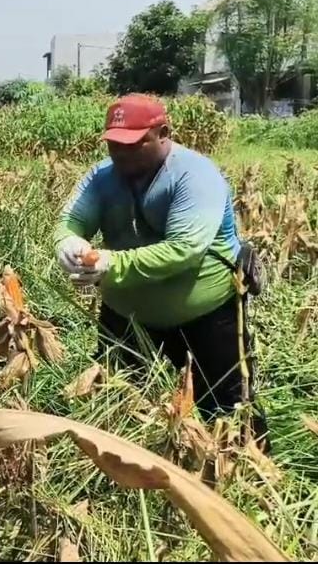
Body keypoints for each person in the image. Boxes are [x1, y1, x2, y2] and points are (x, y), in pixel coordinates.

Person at [55, 93, 267, 442]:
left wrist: (111, 262)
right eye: (114, 145)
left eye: (134, 144)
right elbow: (71, 221)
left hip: (207, 317)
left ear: (163, 132)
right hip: (126, 317)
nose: (121, 153)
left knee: (230, 411)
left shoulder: (194, 176)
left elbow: (184, 249)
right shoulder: (102, 177)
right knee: (119, 403)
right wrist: (68, 242)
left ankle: (249, 482)